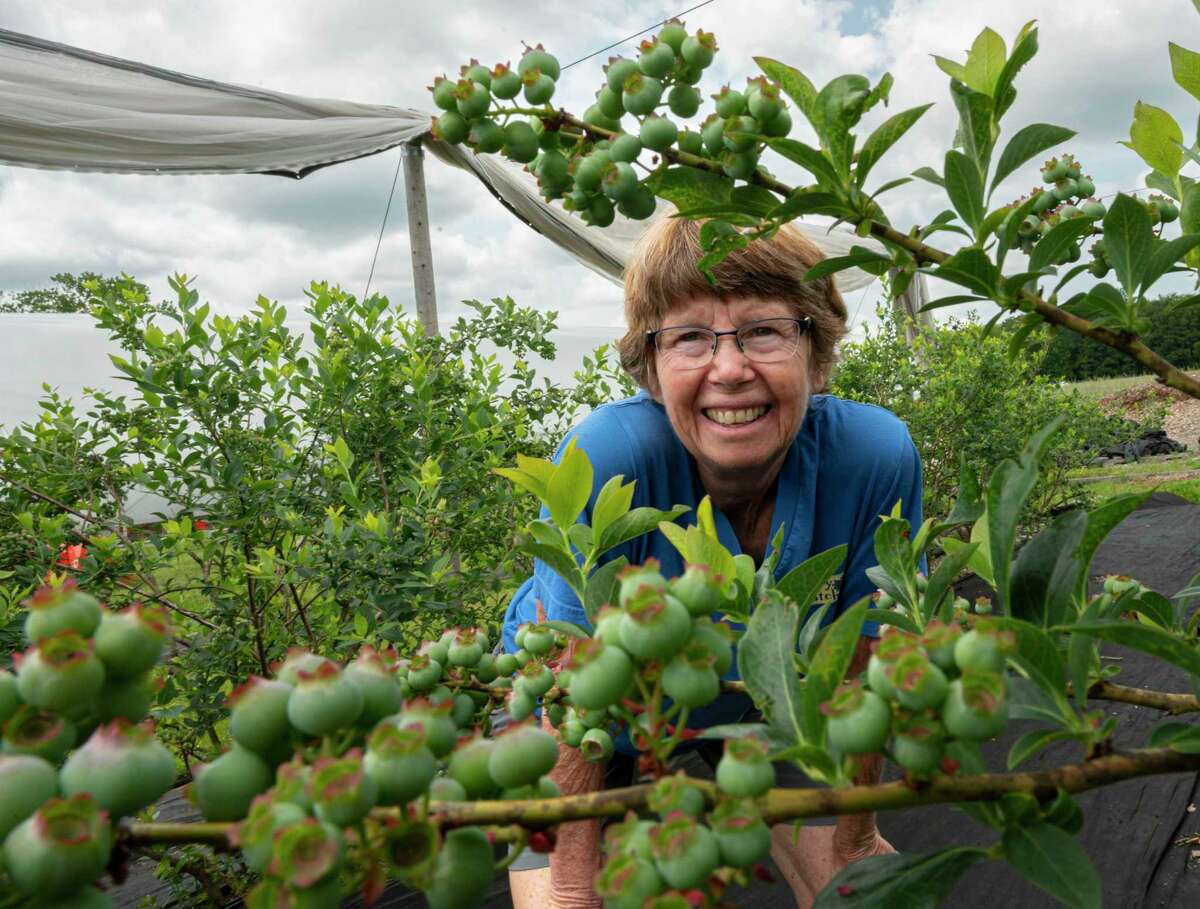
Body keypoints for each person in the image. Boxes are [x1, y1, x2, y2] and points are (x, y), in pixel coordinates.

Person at [503, 215, 922, 908]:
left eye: (763, 329)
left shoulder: (873, 457)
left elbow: (858, 668)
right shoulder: (609, 458)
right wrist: (575, 887)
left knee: (867, 894)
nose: (729, 370)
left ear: (815, 354)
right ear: (651, 369)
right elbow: (570, 691)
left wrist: (852, 846)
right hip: (588, 714)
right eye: (691, 336)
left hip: (761, 699)